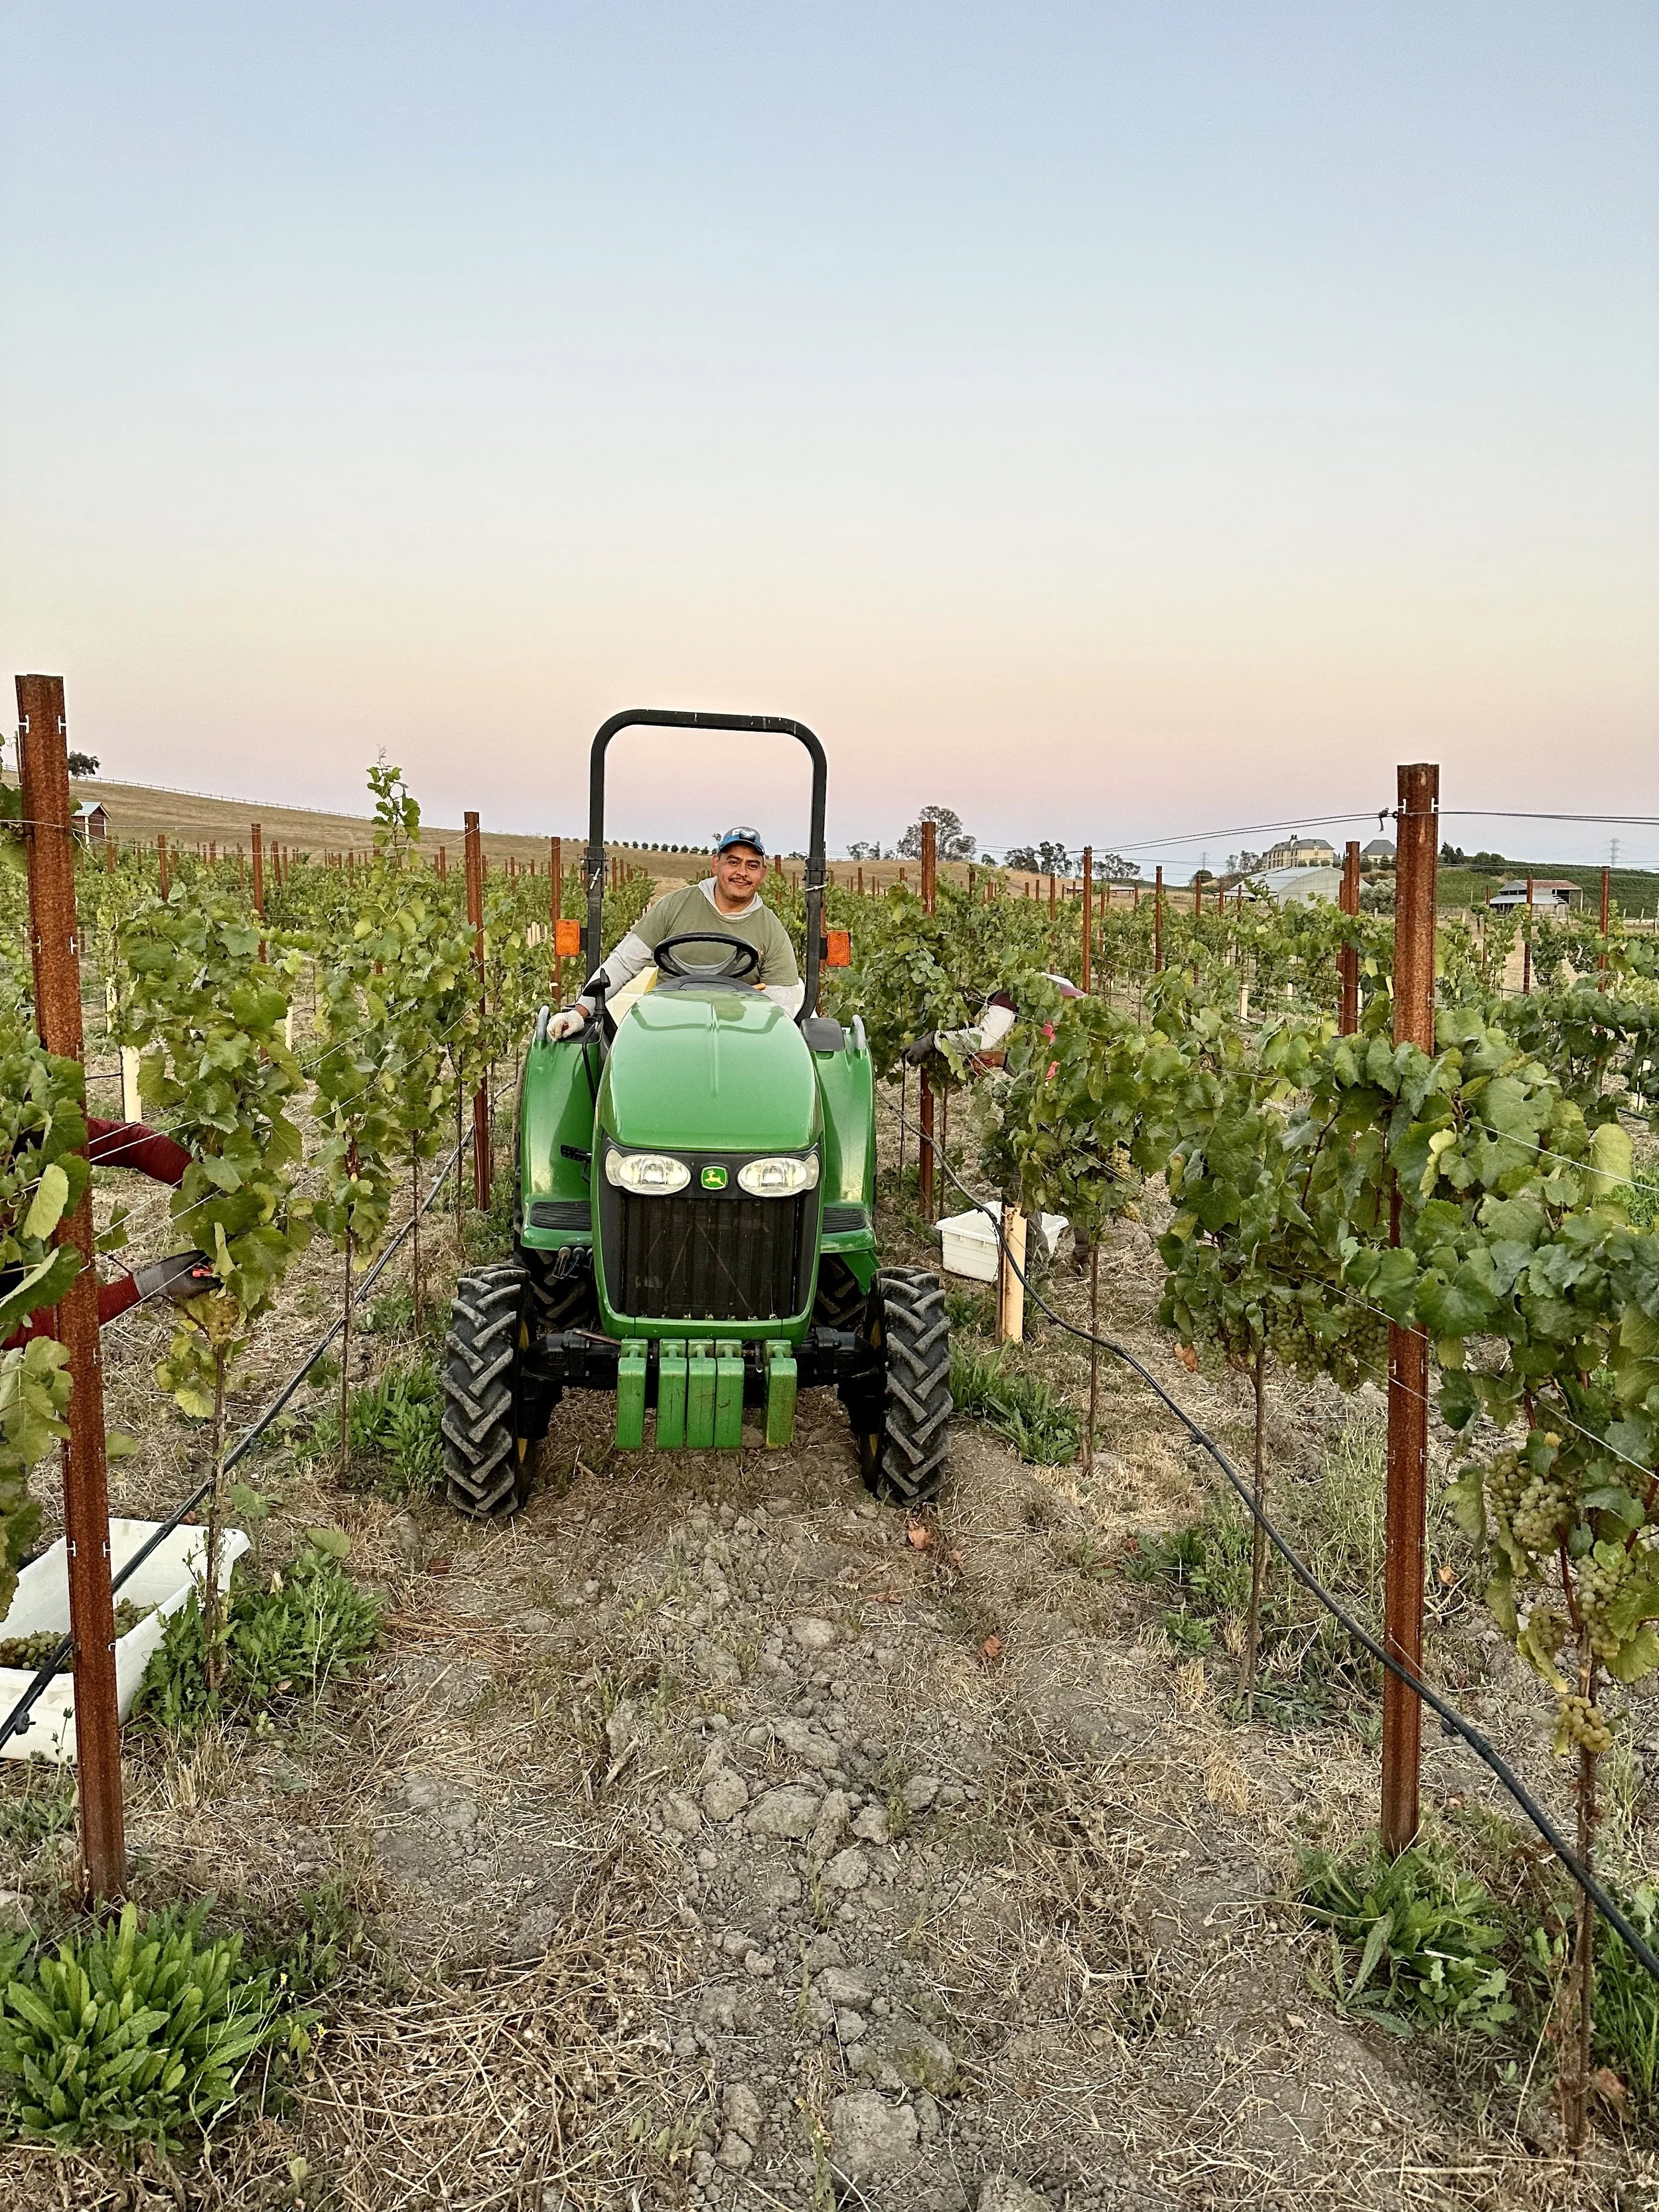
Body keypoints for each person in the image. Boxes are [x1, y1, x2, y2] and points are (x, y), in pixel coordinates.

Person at [545, 828, 804, 1038]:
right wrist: (580, 1012)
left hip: (736, 1031)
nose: (742, 873)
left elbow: (780, 1003)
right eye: (733, 862)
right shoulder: (676, 905)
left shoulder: (771, 929)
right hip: (668, 1024)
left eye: (752, 865)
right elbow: (625, 962)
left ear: (762, 874)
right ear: (716, 864)